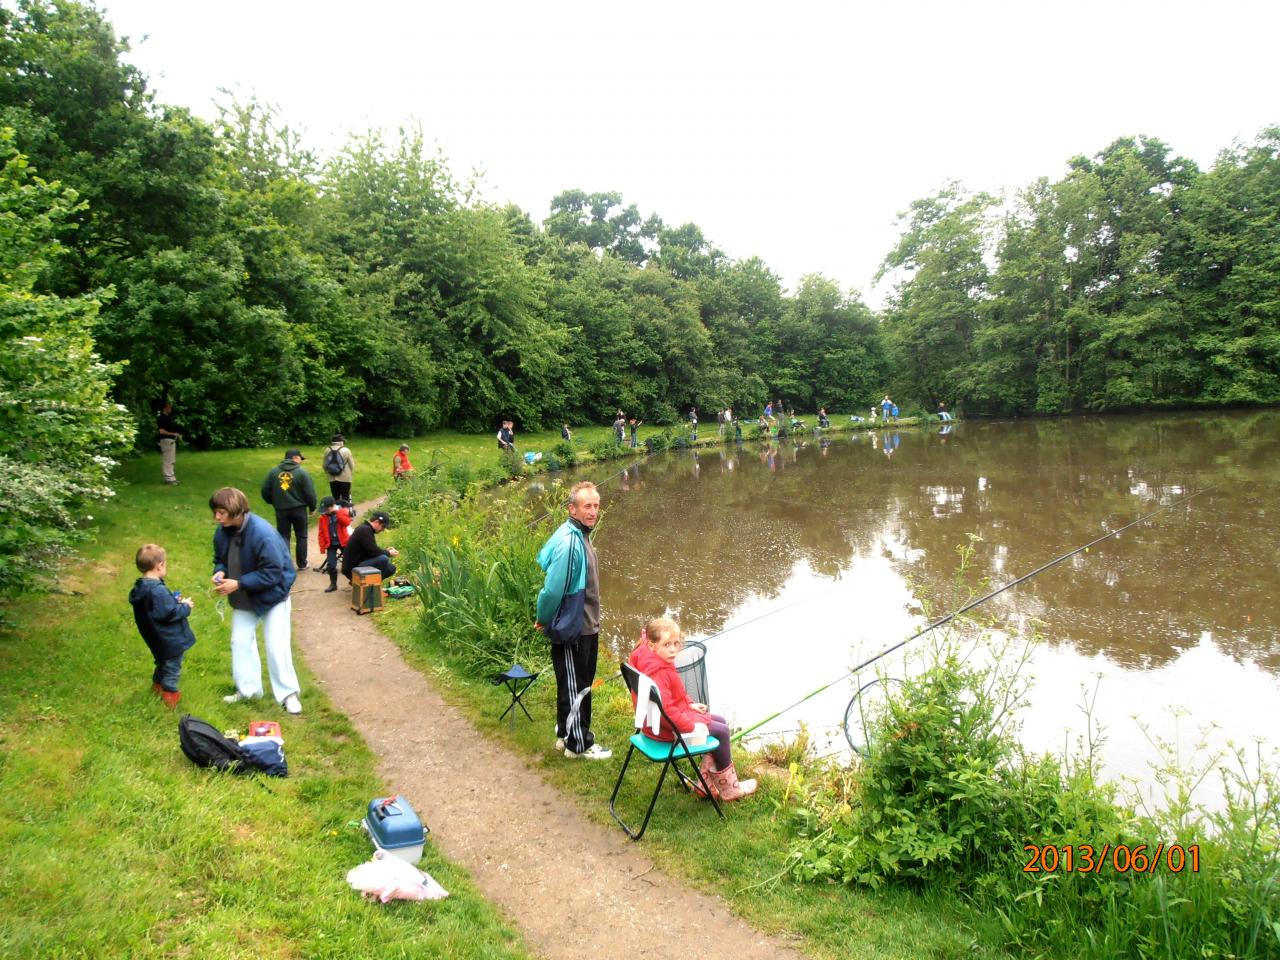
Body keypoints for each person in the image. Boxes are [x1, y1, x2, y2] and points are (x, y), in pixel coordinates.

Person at [627, 616, 757, 801]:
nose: (673, 650)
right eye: (667, 645)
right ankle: (730, 789)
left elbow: (672, 694)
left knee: (718, 721)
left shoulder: (645, 654)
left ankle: (706, 784)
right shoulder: (659, 672)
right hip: (667, 733)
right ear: (652, 644)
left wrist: (689, 704)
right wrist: (691, 727)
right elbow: (668, 712)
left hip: (653, 724)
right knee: (721, 732)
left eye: (676, 643)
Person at [210, 487, 302, 715]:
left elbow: (273, 573)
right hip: (244, 598)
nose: (216, 517)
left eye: (221, 512)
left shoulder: (263, 534)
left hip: (273, 597)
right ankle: (249, 691)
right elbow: (220, 559)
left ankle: (288, 694)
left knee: (276, 646)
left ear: (235, 510)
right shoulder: (222, 532)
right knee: (240, 642)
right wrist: (219, 572)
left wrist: (238, 583)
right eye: (216, 512)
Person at [535, 481, 610, 760]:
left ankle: (566, 736)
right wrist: (543, 619)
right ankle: (578, 744)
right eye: (587, 506)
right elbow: (553, 590)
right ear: (572, 509)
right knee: (577, 686)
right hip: (575, 628)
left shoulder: (580, 534)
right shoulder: (571, 542)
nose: (593, 511)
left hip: (586, 624)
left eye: (596, 505)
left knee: (574, 682)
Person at [129, 543, 196, 709]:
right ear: (159, 566)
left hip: (156, 638)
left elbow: (157, 610)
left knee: (162, 663)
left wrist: (172, 601)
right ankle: (170, 696)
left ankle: (157, 688)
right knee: (172, 667)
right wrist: (185, 606)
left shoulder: (141, 587)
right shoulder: (157, 590)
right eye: (165, 564)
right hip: (169, 639)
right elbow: (168, 614)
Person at [262, 448, 317, 571]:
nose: (301, 462)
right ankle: (302, 564)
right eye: (300, 459)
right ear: (295, 458)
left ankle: (286, 565)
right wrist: (312, 507)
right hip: (299, 510)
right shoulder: (302, 473)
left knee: (283, 536)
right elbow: (310, 494)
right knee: (301, 536)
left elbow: (265, 490)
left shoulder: (273, 472)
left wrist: (274, 502)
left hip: (281, 510)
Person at [342, 510, 399, 580]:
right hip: (352, 569)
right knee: (384, 559)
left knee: (391, 568)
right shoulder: (364, 530)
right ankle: (360, 583)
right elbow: (374, 552)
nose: (383, 530)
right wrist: (388, 553)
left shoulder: (366, 529)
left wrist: (386, 551)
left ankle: (372, 586)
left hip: (358, 564)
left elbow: (372, 550)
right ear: (377, 522)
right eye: (383, 527)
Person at [316, 496, 352, 592]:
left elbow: (347, 522)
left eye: (326, 509)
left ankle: (354, 580)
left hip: (343, 542)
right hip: (331, 544)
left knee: (350, 562)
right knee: (331, 565)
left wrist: (338, 514)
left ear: (332, 506)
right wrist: (322, 546)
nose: (324, 511)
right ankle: (333, 584)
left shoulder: (342, 512)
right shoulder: (323, 517)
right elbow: (321, 532)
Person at [322, 433, 355, 505]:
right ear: (340, 442)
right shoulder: (346, 450)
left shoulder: (327, 450)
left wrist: (327, 473)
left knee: (335, 497)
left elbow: (324, 465)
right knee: (345, 497)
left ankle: (336, 512)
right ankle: (345, 512)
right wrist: (350, 473)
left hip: (332, 477)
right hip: (345, 478)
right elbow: (352, 465)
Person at [156, 402, 182, 485]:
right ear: (165, 408)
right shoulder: (161, 418)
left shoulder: (169, 418)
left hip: (171, 440)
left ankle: (172, 478)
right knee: (167, 459)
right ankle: (168, 479)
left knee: (171, 460)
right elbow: (161, 431)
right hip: (166, 440)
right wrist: (173, 434)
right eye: (169, 407)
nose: (170, 409)